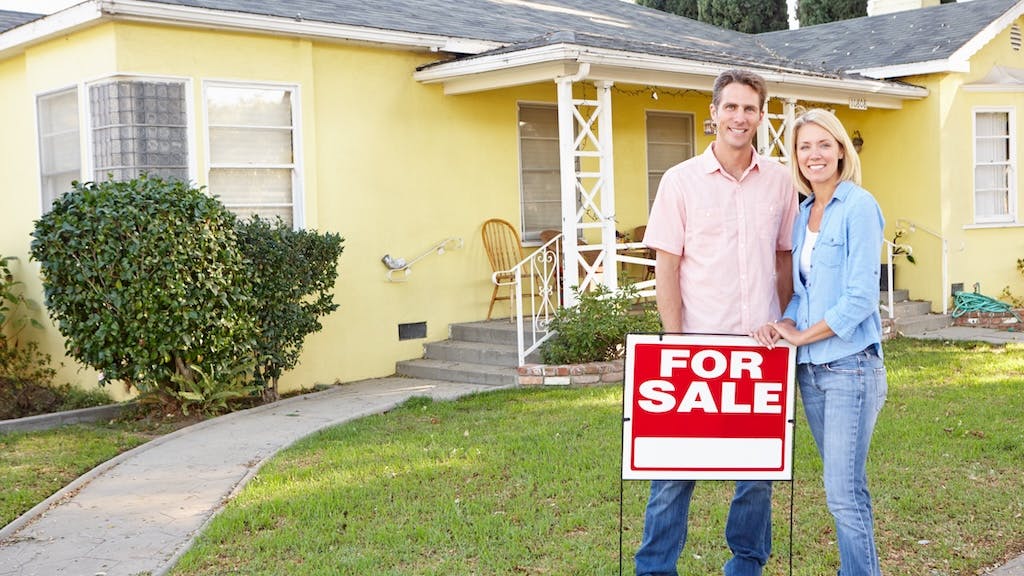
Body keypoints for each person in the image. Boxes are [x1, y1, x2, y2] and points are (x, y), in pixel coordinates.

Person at [637, 68, 798, 576]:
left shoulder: (780, 181)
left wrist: (785, 323)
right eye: (731, 107)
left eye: (749, 108)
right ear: (713, 113)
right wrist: (674, 342)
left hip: (762, 350)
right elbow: (666, 268)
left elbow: (784, 259)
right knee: (673, 472)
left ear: (761, 116)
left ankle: (746, 563)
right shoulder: (680, 181)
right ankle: (655, 568)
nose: (739, 117)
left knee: (756, 475)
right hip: (697, 350)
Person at [753, 108, 887, 576]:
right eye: (804, 146)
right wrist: (781, 324)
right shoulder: (804, 213)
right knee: (845, 491)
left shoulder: (859, 206)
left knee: (843, 494)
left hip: (850, 366)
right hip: (810, 371)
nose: (815, 154)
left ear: (841, 151)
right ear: (795, 156)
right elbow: (802, 294)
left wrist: (801, 336)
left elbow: (861, 298)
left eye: (824, 144)